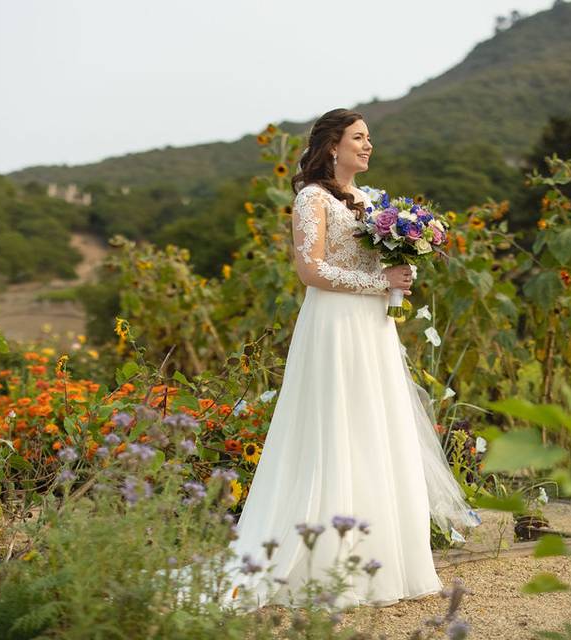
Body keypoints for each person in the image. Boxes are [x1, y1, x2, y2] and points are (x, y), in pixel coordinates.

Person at [175, 109, 480, 613]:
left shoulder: (377, 200)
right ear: (333, 146)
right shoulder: (312, 198)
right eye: (359, 138)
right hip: (334, 323)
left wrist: (401, 272)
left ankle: (386, 560)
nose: (369, 146)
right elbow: (309, 269)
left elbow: (380, 263)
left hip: (374, 328)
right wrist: (378, 282)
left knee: (376, 427)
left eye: (370, 139)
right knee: (336, 427)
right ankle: (322, 563)